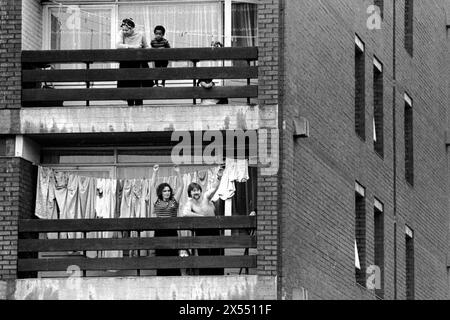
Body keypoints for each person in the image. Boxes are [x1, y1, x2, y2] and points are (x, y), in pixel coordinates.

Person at [181, 166, 225, 275]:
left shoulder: (206, 197)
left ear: (200, 191)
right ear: (190, 193)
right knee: (203, 253)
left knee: (216, 253)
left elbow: (214, 188)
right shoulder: (190, 202)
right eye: (193, 191)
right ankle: (205, 274)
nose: (195, 193)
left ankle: (217, 274)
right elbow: (185, 213)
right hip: (201, 231)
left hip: (213, 229)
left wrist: (219, 177)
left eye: (197, 190)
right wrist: (200, 216)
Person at [152, 164, 183, 276]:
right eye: (165, 191)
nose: (167, 192)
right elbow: (152, 186)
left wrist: (178, 172)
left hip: (171, 231)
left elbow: (181, 186)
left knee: (173, 254)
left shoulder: (174, 201)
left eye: (169, 191)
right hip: (159, 231)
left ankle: (174, 276)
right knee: (160, 255)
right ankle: (161, 276)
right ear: (161, 192)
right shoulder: (156, 201)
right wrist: (155, 172)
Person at [116, 18, 154, 106]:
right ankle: (130, 105)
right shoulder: (121, 33)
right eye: (123, 29)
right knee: (128, 87)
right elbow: (118, 45)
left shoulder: (140, 35)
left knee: (139, 86)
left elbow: (147, 47)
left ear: (132, 28)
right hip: (127, 63)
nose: (124, 31)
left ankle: (139, 104)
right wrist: (133, 47)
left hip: (139, 63)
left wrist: (142, 50)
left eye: (127, 30)